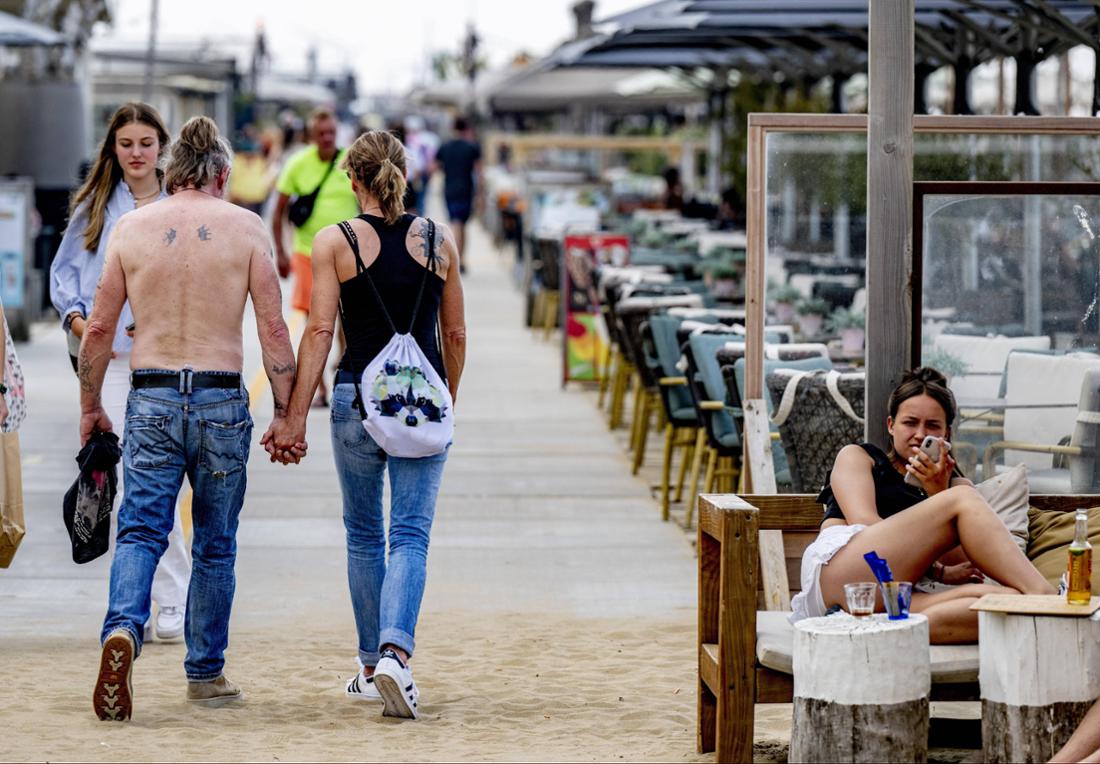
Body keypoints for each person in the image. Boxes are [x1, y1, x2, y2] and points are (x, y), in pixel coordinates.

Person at [80, 116, 296, 721]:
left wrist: (91, 406)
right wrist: (287, 415)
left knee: (141, 530)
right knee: (215, 543)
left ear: (170, 172)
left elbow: (98, 329)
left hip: (149, 396)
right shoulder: (246, 228)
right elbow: (273, 329)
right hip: (221, 397)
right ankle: (205, 673)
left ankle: (122, 630)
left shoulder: (131, 227)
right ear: (223, 176)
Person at [263, 129, 466, 719]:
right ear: (405, 175)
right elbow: (454, 335)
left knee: (363, 534)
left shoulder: (336, 241)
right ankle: (395, 656)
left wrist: (294, 419)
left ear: (353, 181)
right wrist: (445, 400)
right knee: (410, 535)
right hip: (419, 401)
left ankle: (369, 662)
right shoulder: (437, 240)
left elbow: (321, 334)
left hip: (355, 397)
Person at [50, 102, 191, 642]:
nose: (136, 153)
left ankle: (171, 598)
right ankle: (143, 601)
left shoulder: (181, 206)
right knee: (129, 478)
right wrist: (83, 322)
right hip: (106, 362)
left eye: (146, 143)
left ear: (162, 147)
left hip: (165, 357)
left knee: (155, 480)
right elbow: (64, 274)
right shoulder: (94, 207)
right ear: (113, 147)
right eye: (126, 143)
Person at [790, 366, 1054, 643]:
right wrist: (939, 566)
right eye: (910, 422)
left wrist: (936, 490)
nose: (919, 434)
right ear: (891, 425)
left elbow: (972, 561)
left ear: (946, 434)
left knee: (1006, 602)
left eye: (932, 426)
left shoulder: (954, 487)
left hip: (897, 595)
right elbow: (863, 523)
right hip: (844, 577)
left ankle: (891, 633)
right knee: (964, 500)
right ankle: (1047, 596)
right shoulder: (860, 458)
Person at [272, 107, 359, 407]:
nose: (327, 138)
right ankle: (320, 388)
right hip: (309, 254)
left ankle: (345, 376)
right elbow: (279, 209)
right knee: (317, 325)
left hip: (350, 254)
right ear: (311, 136)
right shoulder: (297, 164)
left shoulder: (350, 161)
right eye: (321, 134)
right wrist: (281, 252)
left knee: (349, 321)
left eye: (331, 133)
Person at [433, 115, 481, 273]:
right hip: (466, 189)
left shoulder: (445, 146)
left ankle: (459, 259)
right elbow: (479, 172)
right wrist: (482, 194)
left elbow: (434, 166)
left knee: (457, 223)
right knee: (460, 224)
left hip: (449, 189)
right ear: (466, 129)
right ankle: (458, 259)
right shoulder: (472, 147)